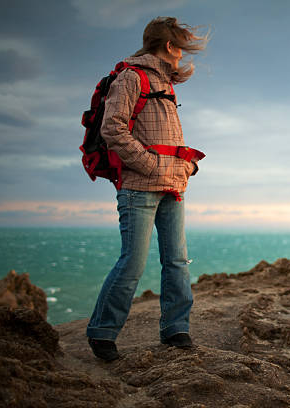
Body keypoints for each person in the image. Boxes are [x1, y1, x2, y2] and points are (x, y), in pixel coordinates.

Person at [86, 17, 208, 361]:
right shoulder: (131, 77)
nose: (183, 54)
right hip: (139, 186)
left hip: (173, 186)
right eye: (180, 46)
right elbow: (113, 129)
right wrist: (152, 165)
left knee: (177, 262)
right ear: (169, 46)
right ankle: (102, 332)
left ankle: (176, 328)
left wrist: (186, 167)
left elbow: (167, 138)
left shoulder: (166, 84)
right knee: (133, 263)